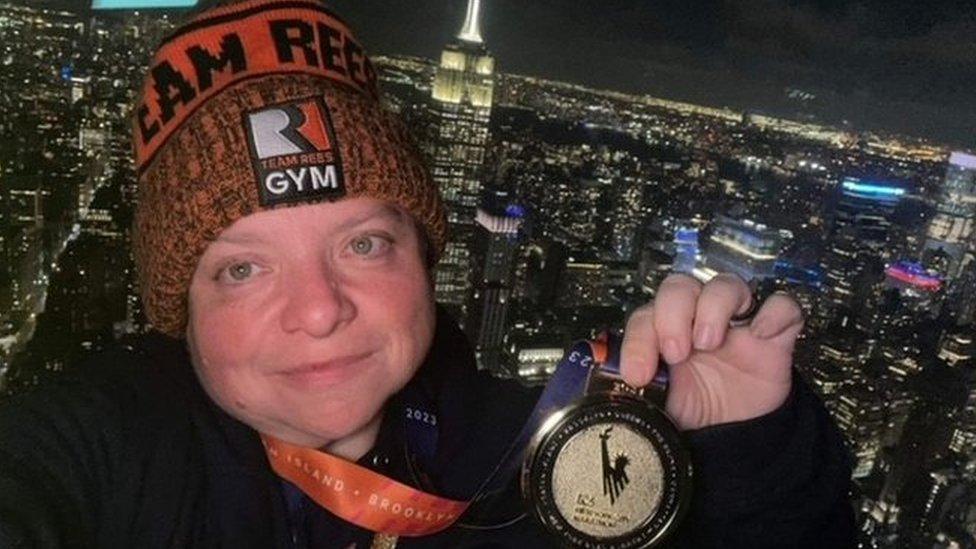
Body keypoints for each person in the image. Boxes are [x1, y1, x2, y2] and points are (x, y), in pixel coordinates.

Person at [0, 1, 855, 547]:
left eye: (363, 243)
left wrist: (747, 450)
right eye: (242, 268)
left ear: (425, 255)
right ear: (174, 304)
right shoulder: (111, 451)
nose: (321, 309)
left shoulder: (545, 455)